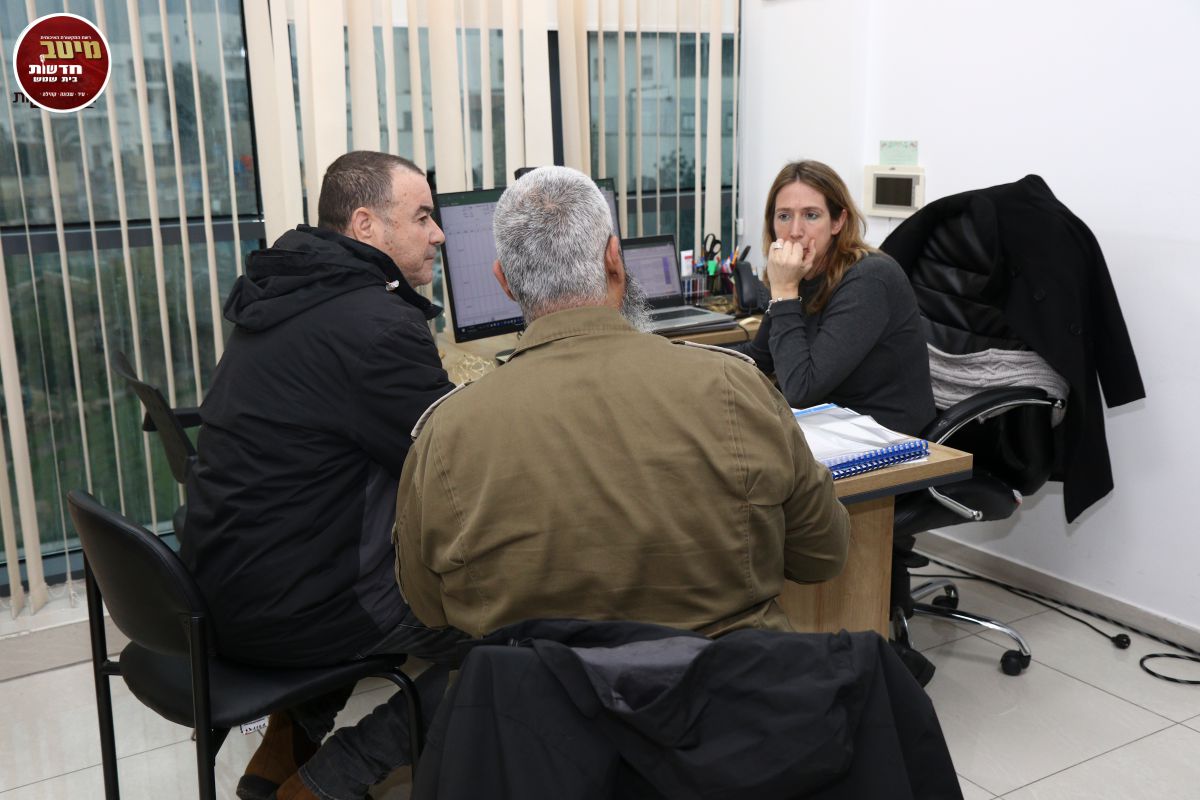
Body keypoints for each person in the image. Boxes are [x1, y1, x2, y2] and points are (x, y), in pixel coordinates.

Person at [393, 165, 851, 640]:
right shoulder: (736, 387)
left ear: (504, 282)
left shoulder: (446, 434)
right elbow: (822, 555)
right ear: (615, 260)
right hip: (725, 680)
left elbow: (429, 607)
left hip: (541, 686)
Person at [181, 151, 468, 800]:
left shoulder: (286, 297)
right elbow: (454, 476)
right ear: (366, 225)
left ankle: (278, 758)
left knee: (347, 530)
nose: (439, 235)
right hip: (302, 606)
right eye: (422, 217)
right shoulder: (374, 325)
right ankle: (328, 781)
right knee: (525, 636)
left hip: (229, 588)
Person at [743, 160, 935, 436]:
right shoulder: (802, 274)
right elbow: (758, 360)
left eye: (811, 215)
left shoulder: (869, 279)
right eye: (784, 216)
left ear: (837, 222)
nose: (795, 231)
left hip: (884, 439)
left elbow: (801, 390)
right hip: (823, 428)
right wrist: (689, 359)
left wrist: (784, 291)